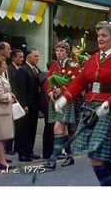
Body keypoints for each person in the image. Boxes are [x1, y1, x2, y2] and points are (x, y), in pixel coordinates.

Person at [53, 20, 111, 186]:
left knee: (97, 155)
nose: (100, 38)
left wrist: (109, 103)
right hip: (89, 107)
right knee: (95, 157)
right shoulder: (93, 58)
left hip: (109, 110)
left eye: (104, 35)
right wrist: (64, 99)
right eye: (98, 35)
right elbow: (80, 82)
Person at [44, 40, 82, 169]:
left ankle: (53, 159)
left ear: (67, 52)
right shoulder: (54, 66)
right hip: (55, 100)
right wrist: (50, 92)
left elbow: (77, 82)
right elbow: (47, 82)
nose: (58, 53)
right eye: (57, 50)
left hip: (66, 100)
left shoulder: (74, 65)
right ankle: (70, 156)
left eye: (61, 51)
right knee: (63, 129)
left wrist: (62, 89)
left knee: (57, 127)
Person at [15, 48, 42, 162]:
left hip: (34, 105)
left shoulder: (34, 70)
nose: (37, 58)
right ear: (28, 57)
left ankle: (29, 151)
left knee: (32, 130)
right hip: (27, 105)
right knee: (24, 130)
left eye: (38, 56)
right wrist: (24, 104)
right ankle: (23, 153)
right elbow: (21, 89)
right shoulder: (23, 70)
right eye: (35, 56)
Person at [5, 48, 24, 155]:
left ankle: (16, 145)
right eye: (19, 57)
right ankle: (8, 146)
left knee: (18, 124)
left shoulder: (20, 68)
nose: (22, 59)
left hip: (19, 98)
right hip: (13, 98)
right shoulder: (10, 69)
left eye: (22, 57)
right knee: (12, 124)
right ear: (13, 58)